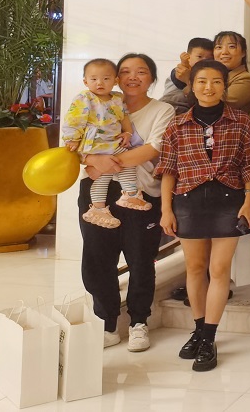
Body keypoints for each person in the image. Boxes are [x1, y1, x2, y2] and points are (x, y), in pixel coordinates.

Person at [156, 59, 250, 372]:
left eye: (216, 81)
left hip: (228, 200)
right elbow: (168, 170)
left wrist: (249, 201)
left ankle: (209, 338)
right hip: (187, 201)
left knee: (219, 270)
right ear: (192, 85)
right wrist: (166, 209)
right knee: (194, 268)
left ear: (225, 86)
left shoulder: (241, 121)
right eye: (202, 81)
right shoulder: (177, 124)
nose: (209, 87)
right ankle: (198, 328)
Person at [78, 53, 176, 351]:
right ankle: (107, 323)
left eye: (141, 71)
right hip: (98, 193)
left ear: (152, 78)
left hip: (141, 194)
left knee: (141, 260)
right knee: (97, 261)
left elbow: (152, 149)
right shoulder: (92, 102)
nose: (133, 77)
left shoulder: (163, 110)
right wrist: (90, 159)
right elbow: (74, 144)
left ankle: (138, 323)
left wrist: (103, 162)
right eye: (126, 71)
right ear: (116, 77)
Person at [63, 58, 143, 229]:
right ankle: (109, 203)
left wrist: (128, 132)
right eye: (94, 79)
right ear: (85, 81)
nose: (100, 83)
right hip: (94, 144)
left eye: (106, 78)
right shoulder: (85, 98)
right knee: (111, 171)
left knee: (123, 164)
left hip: (112, 144)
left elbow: (124, 117)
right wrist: (72, 138)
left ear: (115, 81)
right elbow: (74, 119)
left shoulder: (117, 98)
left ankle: (120, 198)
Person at [162, 38, 214, 114]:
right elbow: (178, 80)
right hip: (170, 103)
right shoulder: (183, 69)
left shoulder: (210, 74)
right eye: (199, 56)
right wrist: (184, 64)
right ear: (188, 57)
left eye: (209, 59)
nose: (204, 61)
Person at [212, 31, 250, 114]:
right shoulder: (211, 76)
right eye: (219, 47)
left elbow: (213, 104)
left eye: (231, 47)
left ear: (243, 53)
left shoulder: (247, 79)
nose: (224, 52)